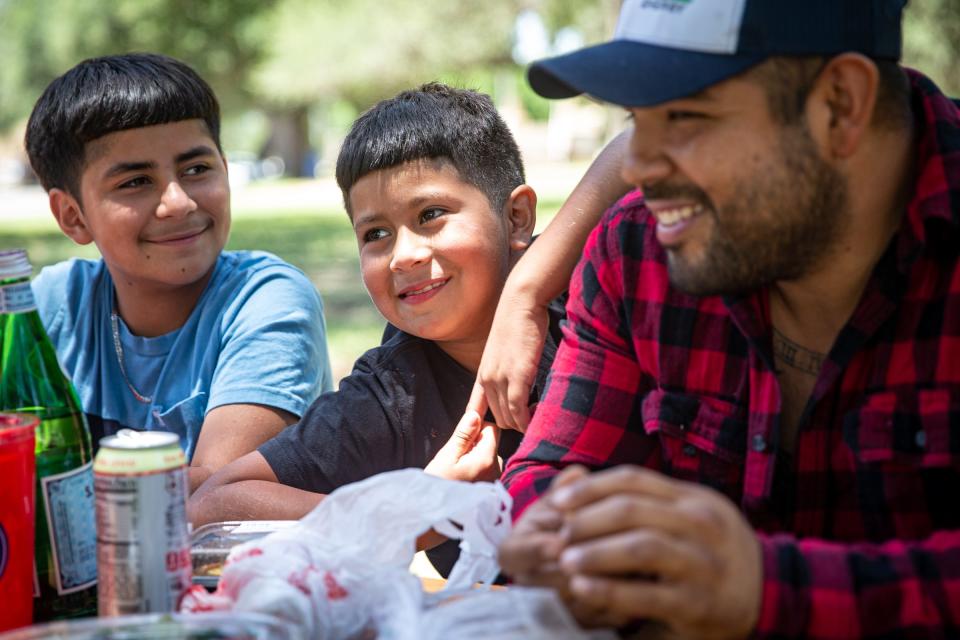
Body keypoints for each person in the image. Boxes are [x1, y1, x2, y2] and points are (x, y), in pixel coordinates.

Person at [497, 0, 960, 637]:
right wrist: (557, 532)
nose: (636, 167)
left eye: (685, 116)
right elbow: (547, 472)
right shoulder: (636, 255)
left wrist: (765, 592)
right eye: (639, 119)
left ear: (841, 105)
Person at [24, 53, 334, 491]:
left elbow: (213, 492)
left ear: (225, 171)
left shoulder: (266, 300)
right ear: (73, 216)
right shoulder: (54, 305)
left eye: (196, 169)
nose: (179, 203)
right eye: (135, 182)